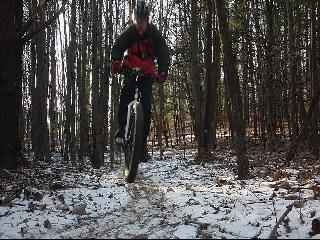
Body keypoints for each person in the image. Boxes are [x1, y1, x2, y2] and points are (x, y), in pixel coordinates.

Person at [111, 0, 170, 162]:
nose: (140, 26)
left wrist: (163, 71)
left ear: (147, 20)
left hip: (147, 72)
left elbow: (163, 53)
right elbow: (118, 46)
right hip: (130, 67)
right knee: (126, 94)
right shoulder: (130, 32)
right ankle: (122, 130)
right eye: (138, 22)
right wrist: (116, 62)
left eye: (142, 22)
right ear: (134, 20)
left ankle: (142, 146)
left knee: (146, 106)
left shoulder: (154, 34)